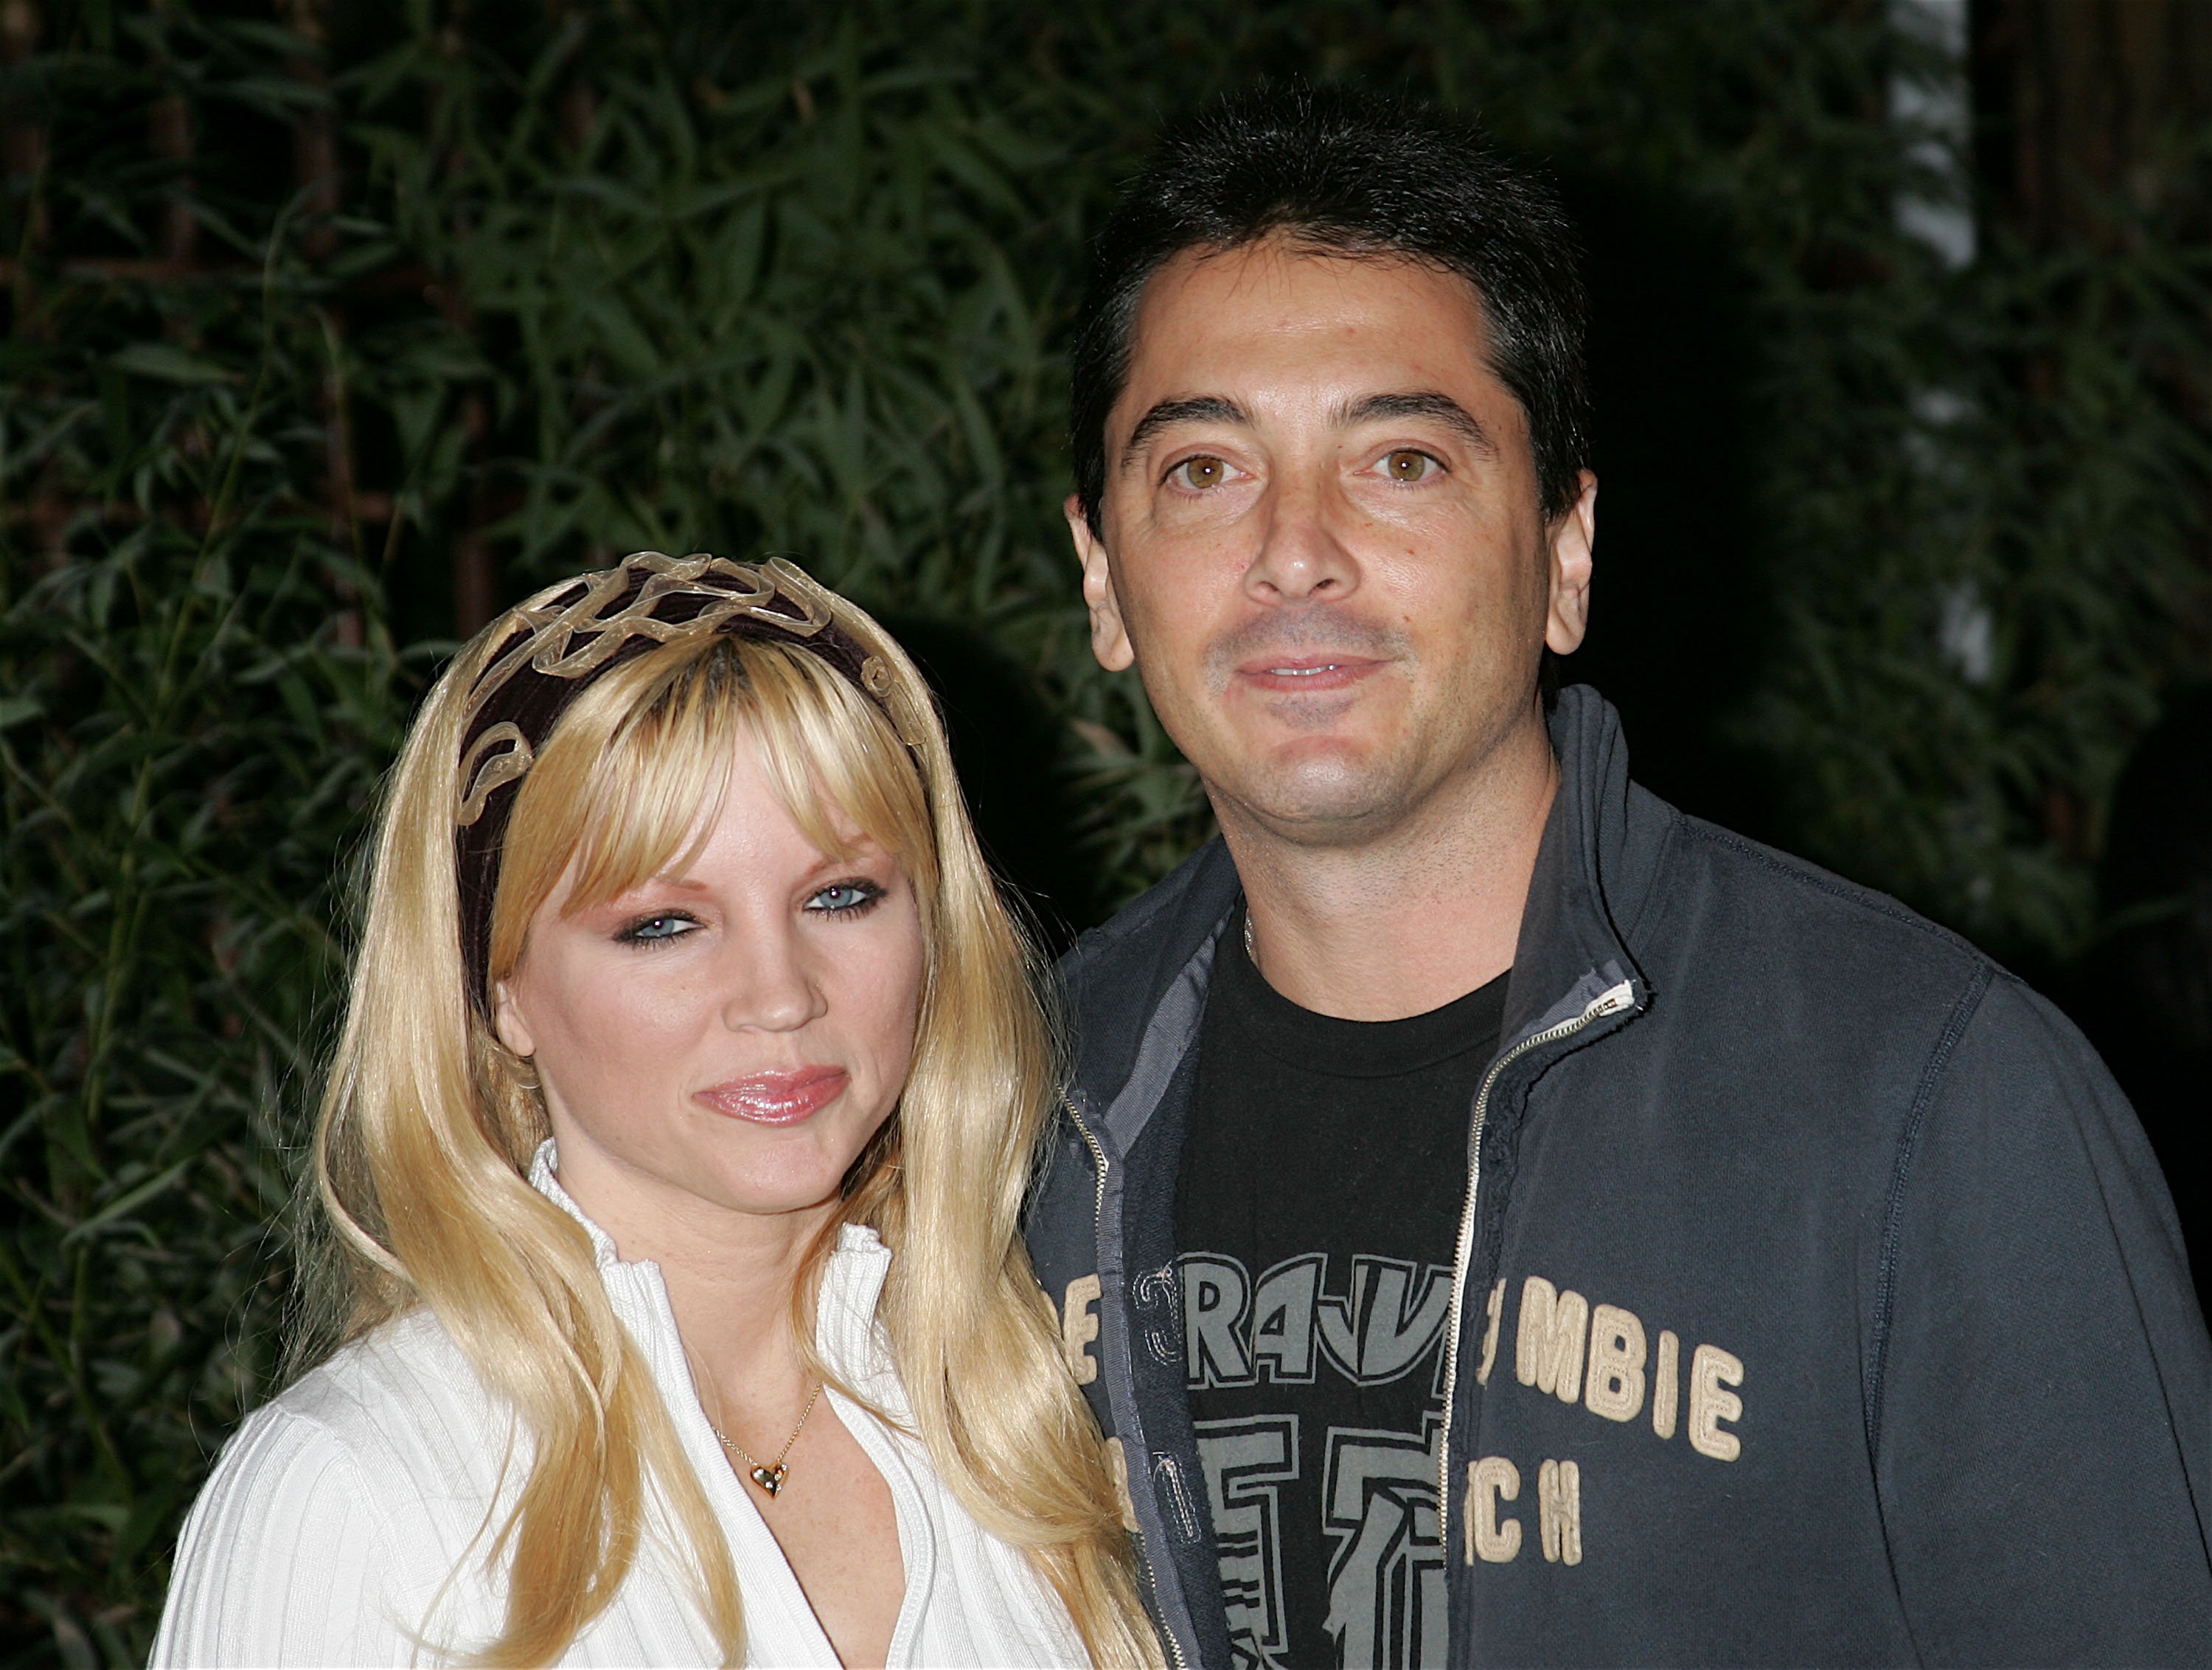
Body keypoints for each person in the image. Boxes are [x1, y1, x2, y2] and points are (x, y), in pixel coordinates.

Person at [1024, 85, 2212, 1669]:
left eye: (1403, 462)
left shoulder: (1931, 1097)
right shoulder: (1022, 1103)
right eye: (1201, 470)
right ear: (1104, 574)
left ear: (1567, 550)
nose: (1293, 551)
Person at [155, 552, 1161, 1667]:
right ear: (500, 987)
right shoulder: (353, 1490)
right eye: (664, 923)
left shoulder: (1020, 1421)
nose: (780, 994)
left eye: (841, 896)